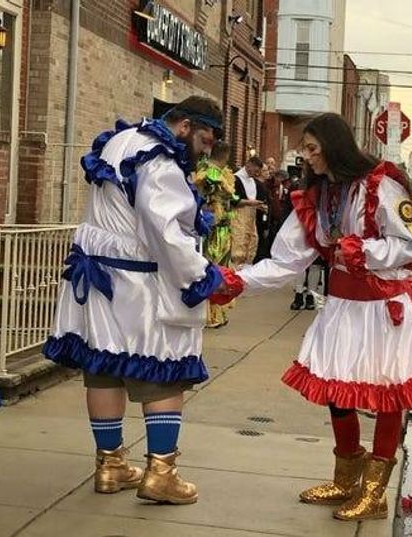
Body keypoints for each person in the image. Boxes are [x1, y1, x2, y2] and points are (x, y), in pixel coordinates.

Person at [211, 113, 412, 521]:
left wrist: (366, 253)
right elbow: (285, 261)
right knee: (337, 392)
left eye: (313, 149)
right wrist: (238, 281)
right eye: (305, 149)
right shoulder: (318, 197)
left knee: (388, 394)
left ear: (334, 146)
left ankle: (374, 494)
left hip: (381, 309)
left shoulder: (379, 185)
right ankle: (346, 478)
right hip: (341, 307)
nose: (307, 157)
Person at [44, 96, 224, 506]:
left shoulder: (120, 141)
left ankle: (110, 465)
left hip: (98, 279)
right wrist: (200, 275)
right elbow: (165, 231)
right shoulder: (160, 160)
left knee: (104, 369)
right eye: (205, 138)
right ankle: (162, 473)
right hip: (139, 286)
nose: (206, 149)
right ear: (185, 126)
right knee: (162, 373)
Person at [194, 141, 237, 328]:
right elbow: (206, 195)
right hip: (213, 225)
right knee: (212, 265)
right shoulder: (209, 172)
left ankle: (217, 311)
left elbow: (233, 199)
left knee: (222, 265)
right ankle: (208, 314)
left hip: (224, 225)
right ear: (225, 154)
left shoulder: (222, 172)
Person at [231, 156, 266, 267]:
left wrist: (258, 206)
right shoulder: (235, 179)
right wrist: (251, 203)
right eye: (255, 171)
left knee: (251, 243)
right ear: (248, 165)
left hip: (251, 218)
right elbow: (234, 200)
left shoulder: (253, 181)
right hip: (238, 217)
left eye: (258, 172)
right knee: (239, 244)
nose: (256, 174)